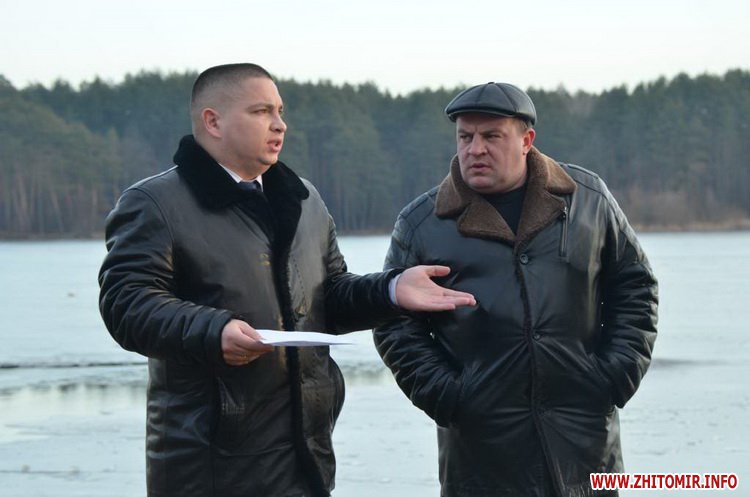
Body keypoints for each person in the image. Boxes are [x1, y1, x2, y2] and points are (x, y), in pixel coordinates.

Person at [98, 63, 474, 497]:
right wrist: (214, 330)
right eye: (261, 112)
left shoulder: (304, 199)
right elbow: (127, 304)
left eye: (280, 111)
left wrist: (391, 290)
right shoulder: (155, 203)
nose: (280, 124)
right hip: (207, 468)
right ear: (213, 121)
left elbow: (328, 298)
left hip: (307, 460)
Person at [374, 82, 658, 497]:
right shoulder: (423, 224)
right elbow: (394, 325)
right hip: (481, 454)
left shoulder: (588, 200)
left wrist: (614, 375)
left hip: (585, 445)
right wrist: (450, 397)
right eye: (465, 137)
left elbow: (635, 287)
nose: (475, 149)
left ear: (527, 141)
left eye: (491, 136)